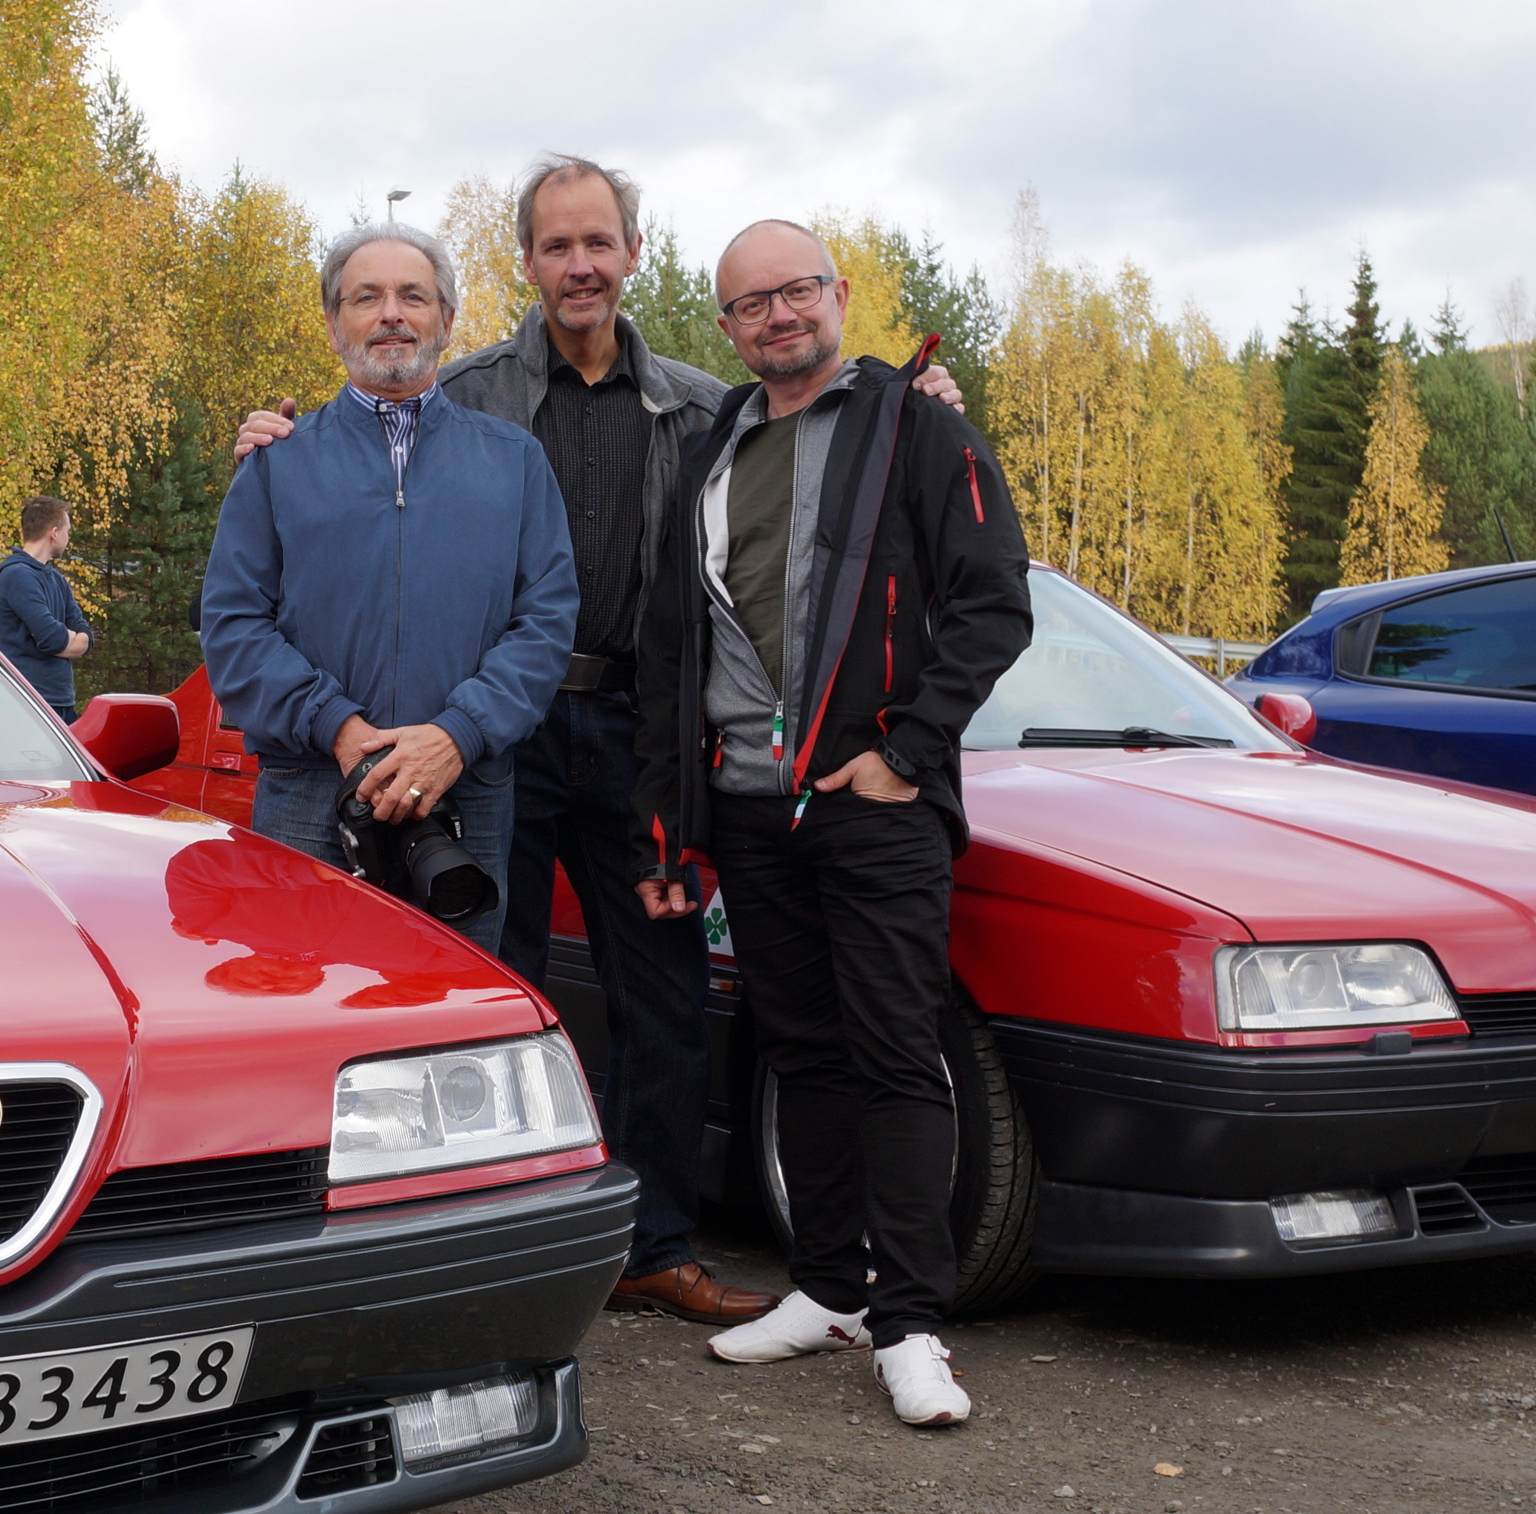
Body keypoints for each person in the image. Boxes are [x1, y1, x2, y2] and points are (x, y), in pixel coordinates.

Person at [230, 159, 966, 1330]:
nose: (579, 265)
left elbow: (815, 426)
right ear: (526, 261)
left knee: (660, 991)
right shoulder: (468, 393)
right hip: (492, 738)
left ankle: (652, 1248)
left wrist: (914, 405)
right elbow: (364, 457)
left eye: (599, 243)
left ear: (631, 253)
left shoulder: (699, 406)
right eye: (556, 245)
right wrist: (274, 437)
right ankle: (506, 1244)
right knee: (496, 991)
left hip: (639, 730)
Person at [631, 220, 1032, 1428]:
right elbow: (677, 646)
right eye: (751, 304)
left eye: (796, 291)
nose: (778, 316)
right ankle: (828, 1289)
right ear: (728, 327)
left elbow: (993, 602)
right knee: (802, 1052)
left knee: (898, 1055)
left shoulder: (917, 424)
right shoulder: (714, 445)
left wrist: (907, 753)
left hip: (872, 807)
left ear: (838, 293)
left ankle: (909, 1325)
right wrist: (676, 823)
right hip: (752, 810)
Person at [199, 223, 577, 941]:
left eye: (413, 296)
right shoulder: (277, 464)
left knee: (455, 1001)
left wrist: (456, 735)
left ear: (447, 319)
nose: (391, 314)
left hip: (466, 791)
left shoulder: (514, 462)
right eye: (366, 297)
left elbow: (547, 621)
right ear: (333, 322)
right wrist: (338, 728)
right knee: (306, 992)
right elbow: (233, 626)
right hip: (309, 793)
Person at [0, 497, 92, 722]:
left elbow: (86, 636)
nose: (68, 538)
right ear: (54, 533)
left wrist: (68, 638)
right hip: (26, 703)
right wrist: (68, 638)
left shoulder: (57, 580)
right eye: (67, 531)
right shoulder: (17, 575)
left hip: (61, 703)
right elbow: (51, 638)